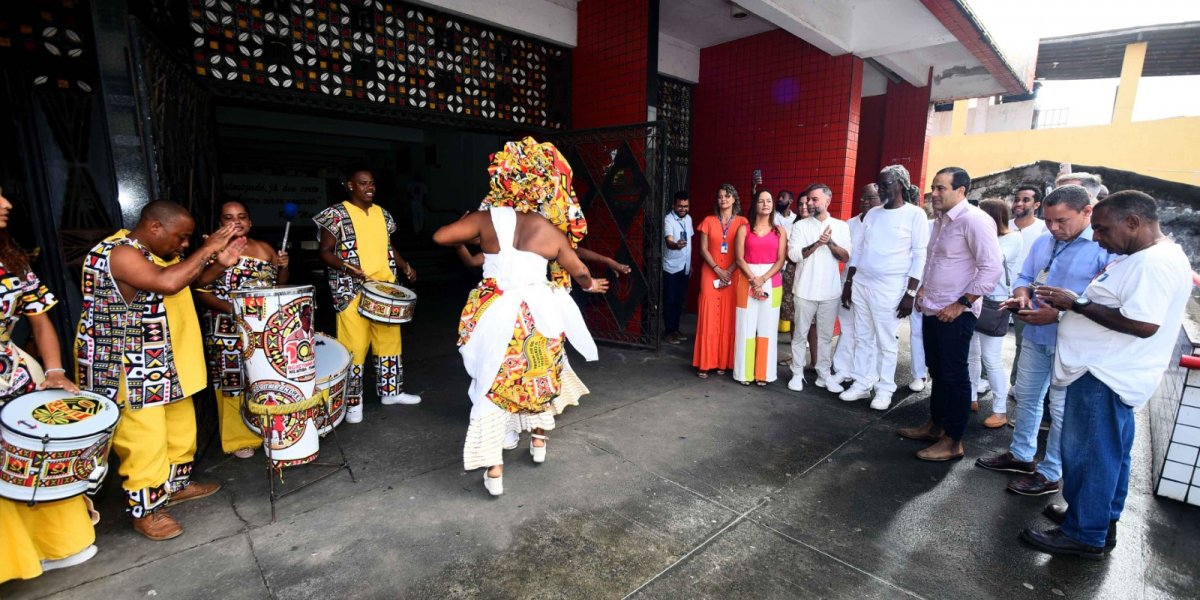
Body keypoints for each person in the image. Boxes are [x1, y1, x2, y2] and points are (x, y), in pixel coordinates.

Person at [433, 137, 608, 496]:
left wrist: (473, 228)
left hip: (496, 312)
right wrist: (591, 287)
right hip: (538, 315)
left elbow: (441, 236)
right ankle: (538, 441)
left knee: (493, 382)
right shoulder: (550, 231)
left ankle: (494, 468)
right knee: (539, 374)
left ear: (505, 179)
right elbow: (579, 272)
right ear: (543, 187)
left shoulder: (487, 220)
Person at [1022, 191, 1191, 558]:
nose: (1097, 237)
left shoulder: (1153, 263)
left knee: (1090, 454)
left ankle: (1085, 534)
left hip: (1105, 374)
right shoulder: (1143, 256)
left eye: (1102, 229)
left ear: (1133, 222)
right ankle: (1099, 518)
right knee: (1111, 453)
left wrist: (1077, 303)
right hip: (1107, 371)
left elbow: (1143, 324)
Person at [75, 200, 242, 540]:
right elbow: (166, 283)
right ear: (154, 227)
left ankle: (175, 486)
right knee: (144, 439)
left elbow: (188, 282)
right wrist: (208, 247)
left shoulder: (158, 255)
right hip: (131, 364)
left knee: (180, 429)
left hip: (166, 361)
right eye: (181, 238)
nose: (183, 245)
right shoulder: (119, 253)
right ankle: (146, 509)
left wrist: (219, 264)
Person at [976, 185, 1111, 495]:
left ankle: (1050, 473)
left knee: (1061, 409)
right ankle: (1021, 456)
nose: (1053, 228)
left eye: (1061, 221)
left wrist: (1060, 316)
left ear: (1086, 213)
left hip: (1073, 344)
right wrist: (1022, 297)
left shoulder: (1102, 247)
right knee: (1026, 395)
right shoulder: (1042, 242)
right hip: (1036, 333)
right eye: (1049, 221)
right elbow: (1024, 277)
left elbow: (1104, 304)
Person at [0, 189, 98, 583]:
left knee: (32, 463)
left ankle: (53, 546)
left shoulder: (11, 258)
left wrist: (54, 370)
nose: (7, 204)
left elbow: (40, 319)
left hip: (14, 375)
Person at [898, 167, 1002, 460]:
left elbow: (991, 268)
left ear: (961, 191)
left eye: (941, 188)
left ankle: (954, 440)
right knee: (938, 371)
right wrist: (922, 292)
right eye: (933, 188)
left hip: (956, 313)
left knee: (954, 375)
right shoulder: (940, 222)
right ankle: (935, 425)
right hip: (933, 308)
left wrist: (961, 304)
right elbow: (934, 262)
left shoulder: (975, 221)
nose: (935, 194)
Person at [315, 168, 421, 424]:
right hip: (351, 290)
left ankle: (391, 392)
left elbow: (387, 246)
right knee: (354, 346)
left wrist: (405, 265)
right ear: (350, 185)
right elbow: (325, 252)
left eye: (372, 183)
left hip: (385, 290)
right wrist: (347, 267)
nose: (369, 187)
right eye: (363, 184)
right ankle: (353, 403)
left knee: (389, 343)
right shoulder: (336, 214)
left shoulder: (382, 214)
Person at [195, 200, 290, 459]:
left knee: (262, 379)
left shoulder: (266, 248)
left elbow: (279, 286)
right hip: (225, 328)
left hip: (261, 328)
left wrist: (283, 266)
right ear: (220, 224)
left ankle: (269, 431)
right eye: (228, 217)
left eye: (242, 216)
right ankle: (239, 439)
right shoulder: (211, 250)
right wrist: (234, 310)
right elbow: (200, 289)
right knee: (231, 382)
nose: (236, 222)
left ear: (250, 222)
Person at [839, 166, 929, 409]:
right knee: (862, 336)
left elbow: (920, 257)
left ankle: (885, 389)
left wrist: (910, 293)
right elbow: (858, 251)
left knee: (886, 341)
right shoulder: (873, 214)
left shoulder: (915, 215)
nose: (880, 189)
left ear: (900, 184)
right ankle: (861, 384)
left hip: (891, 288)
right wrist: (849, 282)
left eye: (885, 184)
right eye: (878, 184)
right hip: (861, 284)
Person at [787, 184, 850, 392]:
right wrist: (817, 244)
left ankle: (824, 374)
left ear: (827, 201)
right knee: (800, 335)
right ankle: (797, 373)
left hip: (830, 292)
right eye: (808, 200)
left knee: (824, 336)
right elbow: (794, 255)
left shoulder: (841, 226)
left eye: (814, 199)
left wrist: (829, 242)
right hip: (804, 289)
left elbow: (846, 256)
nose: (810, 203)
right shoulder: (800, 226)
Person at [969, 199, 1022, 428]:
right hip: (973, 298)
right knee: (971, 354)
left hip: (995, 302)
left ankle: (1000, 410)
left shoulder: (1013, 238)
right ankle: (970, 397)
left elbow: (993, 260)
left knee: (991, 358)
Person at [732, 190, 788, 385]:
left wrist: (762, 278)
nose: (766, 204)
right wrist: (753, 278)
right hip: (745, 279)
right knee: (745, 328)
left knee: (767, 330)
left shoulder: (780, 231)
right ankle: (744, 373)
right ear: (755, 205)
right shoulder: (744, 229)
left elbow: (781, 260)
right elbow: (739, 258)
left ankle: (764, 373)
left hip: (771, 282)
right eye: (761, 201)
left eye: (769, 201)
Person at [693, 184, 748, 379]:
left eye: (727, 196)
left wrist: (729, 271)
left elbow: (743, 252)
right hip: (710, 273)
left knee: (728, 315)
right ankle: (705, 361)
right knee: (708, 315)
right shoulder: (708, 221)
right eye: (720, 196)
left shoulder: (742, 222)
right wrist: (718, 270)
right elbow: (703, 249)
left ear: (734, 199)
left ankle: (724, 361)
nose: (723, 199)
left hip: (733, 274)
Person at [830, 184, 880, 386]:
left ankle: (867, 374)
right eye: (862, 198)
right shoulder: (849, 224)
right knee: (848, 327)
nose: (864, 202)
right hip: (848, 283)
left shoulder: (883, 222)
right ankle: (842, 369)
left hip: (873, 285)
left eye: (870, 198)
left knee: (869, 332)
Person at [1007, 183, 1047, 393]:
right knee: (985, 339)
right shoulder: (1004, 225)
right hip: (997, 292)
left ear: (1037, 204)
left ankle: (1016, 385)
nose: (1019, 203)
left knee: (1023, 344)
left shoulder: (1043, 229)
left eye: (1026, 200)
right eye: (1017, 199)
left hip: (1025, 294)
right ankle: (983, 379)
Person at [662, 191, 693, 345]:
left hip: (685, 267)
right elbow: (669, 241)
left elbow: (690, 244)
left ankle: (675, 329)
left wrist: (690, 264)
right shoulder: (668, 219)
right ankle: (668, 331)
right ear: (674, 205)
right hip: (671, 268)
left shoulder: (688, 219)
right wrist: (676, 245)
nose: (683, 209)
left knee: (679, 300)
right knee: (670, 300)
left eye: (685, 206)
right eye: (680, 206)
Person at [774, 190, 799, 334]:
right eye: (778, 197)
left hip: (789, 266)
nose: (779, 200)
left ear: (790, 201)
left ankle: (794, 336)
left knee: (789, 300)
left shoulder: (796, 219)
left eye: (782, 197)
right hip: (774, 264)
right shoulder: (773, 217)